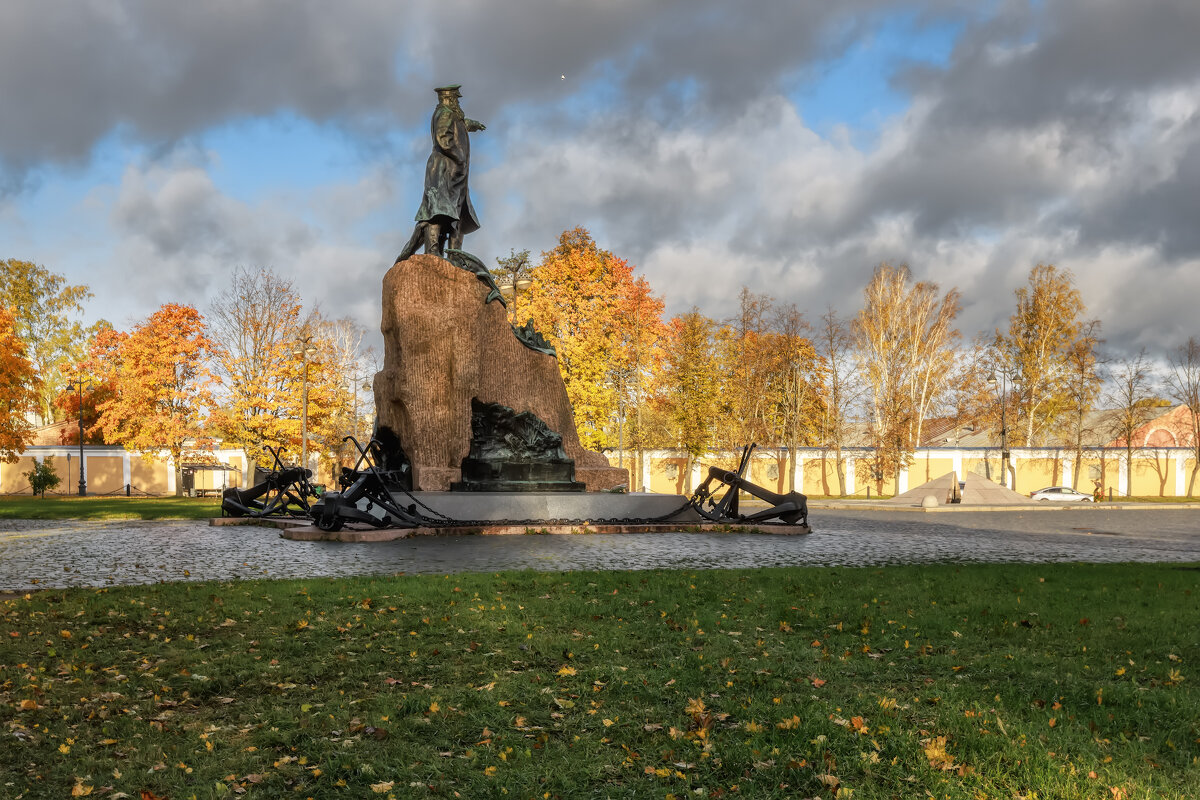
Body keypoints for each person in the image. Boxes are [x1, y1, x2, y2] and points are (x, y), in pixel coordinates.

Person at [396, 85, 486, 261]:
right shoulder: (444, 113)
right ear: (449, 99)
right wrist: (459, 157)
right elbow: (443, 138)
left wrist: (471, 125)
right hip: (444, 168)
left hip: (454, 170)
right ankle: (433, 250)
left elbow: (459, 123)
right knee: (437, 210)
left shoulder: (451, 114)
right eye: (456, 99)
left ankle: (454, 255)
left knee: (455, 212)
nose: (458, 102)